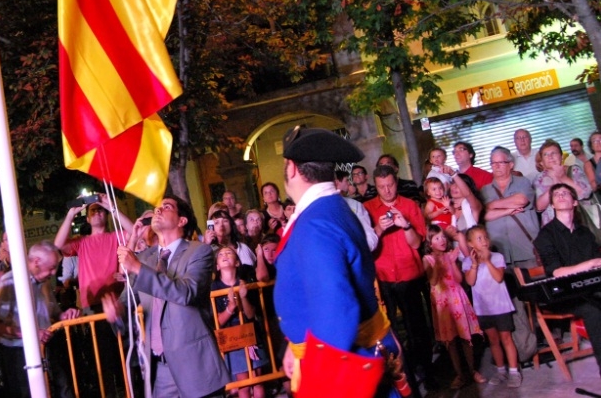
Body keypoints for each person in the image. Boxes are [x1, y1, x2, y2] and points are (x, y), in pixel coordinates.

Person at [276, 127, 407, 397]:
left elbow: (335, 309)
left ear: (291, 168)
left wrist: (319, 383)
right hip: (344, 347)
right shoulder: (330, 208)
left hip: (342, 361)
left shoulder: (316, 223)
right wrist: (297, 343)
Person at [103, 194, 231, 398]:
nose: (158, 210)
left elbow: (186, 292)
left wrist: (137, 267)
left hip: (196, 365)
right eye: (156, 208)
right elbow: (126, 307)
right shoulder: (145, 258)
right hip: (161, 369)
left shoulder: (200, 252)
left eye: (167, 207)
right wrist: (116, 314)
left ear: (182, 220)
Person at [365, 164, 434, 390]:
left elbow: (417, 243)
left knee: (418, 328)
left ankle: (427, 371)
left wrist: (406, 226)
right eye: (381, 187)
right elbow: (364, 246)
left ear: (397, 182)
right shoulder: (367, 209)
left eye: (390, 185)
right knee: (392, 331)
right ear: (376, 186)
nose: (386, 190)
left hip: (409, 275)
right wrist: (378, 229)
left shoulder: (410, 205)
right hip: (383, 278)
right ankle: (402, 379)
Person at [0, 241, 80, 398]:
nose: (53, 272)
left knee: (62, 389)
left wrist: (65, 316)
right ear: (36, 262)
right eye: (51, 268)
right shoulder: (11, 281)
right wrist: (30, 334)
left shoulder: (43, 282)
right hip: (18, 353)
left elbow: (54, 314)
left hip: (46, 347)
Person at [533, 183, 601, 376]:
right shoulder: (545, 235)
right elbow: (557, 272)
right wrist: (592, 263)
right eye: (556, 195)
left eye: (565, 193)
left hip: (589, 289)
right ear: (552, 204)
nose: (561, 196)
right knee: (594, 311)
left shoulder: (585, 233)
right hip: (564, 295)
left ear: (575, 202)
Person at [422, 225, 483, 389]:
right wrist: (437, 264)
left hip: (456, 296)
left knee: (465, 337)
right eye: (436, 238)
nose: (441, 241)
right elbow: (433, 281)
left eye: (443, 237)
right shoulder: (427, 259)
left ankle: (472, 371)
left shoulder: (451, 255)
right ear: (429, 242)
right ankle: (460, 374)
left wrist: (451, 262)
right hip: (442, 302)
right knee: (451, 341)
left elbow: (458, 278)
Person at [462, 226, 520, 387]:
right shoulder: (467, 262)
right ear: (470, 243)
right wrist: (474, 264)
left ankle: (514, 371)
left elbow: (499, 277)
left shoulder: (497, 257)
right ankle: (501, 371)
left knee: (506, 338)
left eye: (485, 237)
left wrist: (486, 260)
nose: (484, 241)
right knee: (493, 340)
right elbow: (470, 282)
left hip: (500, 306)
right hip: (483, 309)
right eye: (479, 239)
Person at [54, 194, 133, 313]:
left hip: (116, 302)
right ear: (87, 219)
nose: (96, 212)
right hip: (90, 304)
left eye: (100, 209)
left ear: (107, 216)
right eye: (92, 210)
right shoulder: (81, 241)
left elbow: (134, 232)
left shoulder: (115, 237)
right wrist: (71, 215)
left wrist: (112, 207)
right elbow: (58, 245)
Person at [212, 247, 268, 398]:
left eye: (229, 253)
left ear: (237, 262)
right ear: (217, 265)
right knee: (242, 385)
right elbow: (218, 321)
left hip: (250, 333)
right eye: (221, 254)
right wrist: (231, 307)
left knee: (257, 380)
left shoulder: (246, 283)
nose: (225, 255)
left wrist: (243, 297)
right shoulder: (214, 288)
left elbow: (250, 314)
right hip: (232, 339)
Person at [480, 146, 539, 267]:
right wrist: (508, 210)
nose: (496, 166)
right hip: (499, 255)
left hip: (527, 250)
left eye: (501, 162)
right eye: (493, 163)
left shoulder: (522, 181)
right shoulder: (485, 190)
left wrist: (492, 205)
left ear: (511, 164)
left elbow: (521, 200)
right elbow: (485, 215)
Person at [533, 139, 592, 225]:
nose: (550, 157)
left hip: (579, 224)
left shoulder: (574, 170)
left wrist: (563, 177)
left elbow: (586, 193)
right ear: (542, 161)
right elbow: (539, 206)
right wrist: (555, 181)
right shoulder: (539, 178)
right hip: (552, 228)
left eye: (553, 153)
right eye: (546, 154)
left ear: (561, 156)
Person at [334, 169, 378, 251]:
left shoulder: (355, 205)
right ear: (337, 183)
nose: (349, 183)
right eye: (346, 180)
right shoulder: (319, 207)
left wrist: (357, 252)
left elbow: (370, 236)